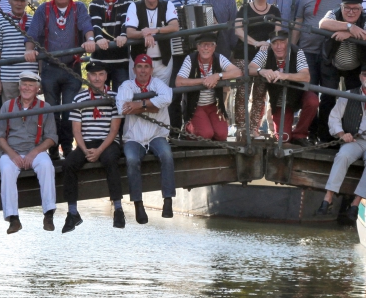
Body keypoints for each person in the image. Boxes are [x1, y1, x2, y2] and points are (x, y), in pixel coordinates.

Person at [24, 0, 97, 158]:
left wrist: (90, 40)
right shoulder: (43, 9)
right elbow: (32, 33)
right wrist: (29, 50)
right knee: (52, 110)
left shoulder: (79, 7)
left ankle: (68, 147)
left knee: (70, 110)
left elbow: (86, 26)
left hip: (72, 67)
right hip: (50, 68)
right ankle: (53, 149)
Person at [317, 62, 366, 222]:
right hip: (354, 141)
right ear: (360, 77)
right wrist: (342, 134)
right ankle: (328, 198)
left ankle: (356, 203)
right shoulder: (348, 94)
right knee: (342, 155)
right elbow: (334, 118)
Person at [61, 61, 124, 233]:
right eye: (93, 75)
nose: (97, 78)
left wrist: (100, 150)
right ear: (87, 77)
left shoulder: (113, 97)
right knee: (68, 164)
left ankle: (118, 209)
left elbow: (114, 129)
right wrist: (84, 149)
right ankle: (72, 212)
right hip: (86, 142)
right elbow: (76, 130)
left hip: (107, 142)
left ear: (106, 76)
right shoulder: (79, 98)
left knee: (110, 159)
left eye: (101, 74)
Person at [0, 71, 58, 234]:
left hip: (35, 151)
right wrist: (12, 154)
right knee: (7, 169)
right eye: (24, 84)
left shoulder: (46, 108)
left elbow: (51, 137)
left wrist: (34, 153)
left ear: (37, 89)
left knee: (46, 165)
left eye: (31, 85)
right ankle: (13, 218)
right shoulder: (7, 106)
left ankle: (49, 214)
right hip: (11, 151)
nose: (27, 88)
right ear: (19, 86)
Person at [116, 55, 175, 227]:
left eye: (146, 66)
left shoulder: (157, 83)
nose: (143, 70)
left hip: (157, 134)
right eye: (139, 66)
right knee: (132, 159)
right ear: (134, 69)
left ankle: (168, 200)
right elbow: (123, 108)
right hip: (133, 137)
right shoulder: (127, 85)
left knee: (166, 154)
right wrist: (152, 106)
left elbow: (168, 97)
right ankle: (138, 204)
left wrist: (139, 104)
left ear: (151, 69)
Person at [317, 0, 366, 142]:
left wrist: (348, 33)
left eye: (355, 9)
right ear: (342, 7)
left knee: (354, 100)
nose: (351, 12)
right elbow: (323, 23)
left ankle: (349, 136)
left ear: (361, 10)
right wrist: (349, 26)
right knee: (327, 98)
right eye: (347, 8)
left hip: (355, 66)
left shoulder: (365, 18)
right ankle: (325, 138)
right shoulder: (334, 12)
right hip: (331, 63)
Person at [293, 0, 345, 138]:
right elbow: (298, 22)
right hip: (306, 51)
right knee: (309, 93)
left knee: (329, 94)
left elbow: (349, 21)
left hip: (330, 52)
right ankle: (310, 130)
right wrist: (293, 48)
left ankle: (325, 132)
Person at [249, 30, 317, 144]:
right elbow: (249, 68)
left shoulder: (297, 51)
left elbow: (306, 76)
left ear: (287, 42)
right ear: (271, 44)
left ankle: (300, 135)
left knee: (313, 101)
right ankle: (287, 134)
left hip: (298, 93)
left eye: (282, 42)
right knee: (283, 138)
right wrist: (262, 71)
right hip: (279, 100)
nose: (278, 46)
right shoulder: (266, 52)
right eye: (275, 43)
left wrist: (284, 75)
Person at [234, 0, 281, 137]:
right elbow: (238, 30)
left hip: (264, 54)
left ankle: (254, 128)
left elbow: (278, 31)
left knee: (260, 92)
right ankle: (241, 127)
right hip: (245, 53)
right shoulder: (245, 9)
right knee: (242, 90)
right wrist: (255, 43)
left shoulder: (274, 10)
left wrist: (267, 43)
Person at [176, 32, 242, 141]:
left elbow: (238, 72)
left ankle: (204, 128)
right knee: (206, 134)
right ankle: (188, 128)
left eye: (210, 44)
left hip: (213, 105)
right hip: (196, 106)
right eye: (202, 44)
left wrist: (217, 76)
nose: (206, 48)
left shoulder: (219, 57)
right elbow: (179, 82)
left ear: (214, 47)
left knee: (222, 135)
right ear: (197, 47)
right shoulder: (190, 59)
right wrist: (203, 81)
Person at [162, 0, 198, 131]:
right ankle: (175, 130)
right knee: (174, 90)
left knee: (193, 91)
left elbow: (206, 14)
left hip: (195, 51)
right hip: (174, 52)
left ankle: (191, 129)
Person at [125, 0, 180, 84]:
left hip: (163, 62)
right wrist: (144, 33)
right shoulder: (134, 6)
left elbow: (175, 26)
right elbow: (129, 32)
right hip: (139, 63)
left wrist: (155, 30)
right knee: (138, 96)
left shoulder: (167, 5)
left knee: (161, 97)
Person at [89, 0, 133, 92]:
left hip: (121, 61)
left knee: (122, 97)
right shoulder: (94, 4)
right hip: (99, 61)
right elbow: (95, 24)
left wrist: (123, 35)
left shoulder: (128, 3)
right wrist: (98, 38)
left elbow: (127, 22)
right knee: (98, 98)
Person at [0, 0, 38, 103]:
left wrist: (40, 76)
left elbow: (40, 49)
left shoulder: (34, 21)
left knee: (30, 110)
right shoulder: (1, 22)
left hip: (30, 75)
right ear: (10, 1)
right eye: (16, 0)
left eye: (22, 0)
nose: (19, 3)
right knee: (10, 111)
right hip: (8, 77)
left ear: (27, 2)